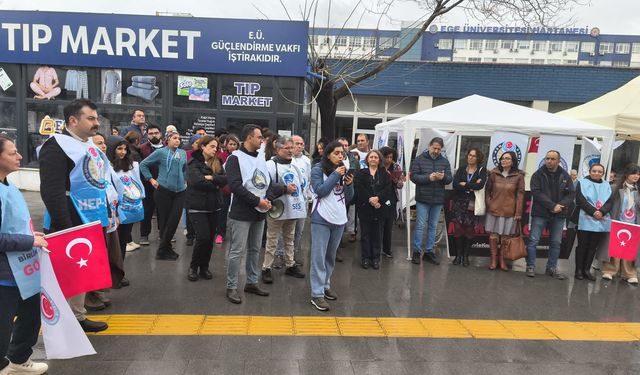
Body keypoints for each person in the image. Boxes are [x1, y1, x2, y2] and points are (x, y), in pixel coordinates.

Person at [39, 98, 109, 332]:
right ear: (73, 120)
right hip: (69, 221)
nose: (96, 123)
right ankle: (61, 322)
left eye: (96, 118)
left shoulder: (87, 145)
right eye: (91, 118)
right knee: (66, 274)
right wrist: (66, 226)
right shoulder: (56, 145)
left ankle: (78, 317)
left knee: (82, 271)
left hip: (91, 218)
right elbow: (51, 190)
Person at [0, 135, 49, 375]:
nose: (20, 156)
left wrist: (30, 233)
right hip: (5, 272)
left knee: (31, 314)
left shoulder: (8, 184)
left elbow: (11, 224)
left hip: (22, 267)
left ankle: (19, 359)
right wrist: (29, 240)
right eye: (12, 153)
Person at [224, 124, 283, 304]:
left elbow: (267, 183)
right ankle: (232, 286)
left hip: (259, 212)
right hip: (242, 212)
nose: (262, 141)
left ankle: (251, 282)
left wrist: (269, 198)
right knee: (237, 250)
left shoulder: (260, 158)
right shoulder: (235, 158)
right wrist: (257, 201)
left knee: (255, 249)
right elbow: (235, 186)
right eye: (259, 137)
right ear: (249, 138)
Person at [309, 141, 354, 311]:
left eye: (342, 153)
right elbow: (320, 190)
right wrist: (335, 175)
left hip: (339, 218)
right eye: (336, 153)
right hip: (321, 217)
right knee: (318, 257)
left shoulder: (343, 170)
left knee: (330, 256)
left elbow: (349, 198)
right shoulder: (318, 169)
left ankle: (325, 285)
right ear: (328, 155)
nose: (340, 156)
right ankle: (317, 294)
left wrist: (349, 184)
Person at [261, 136, 306, 283]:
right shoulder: (269, 165)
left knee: (289, 238)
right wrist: (284, 189)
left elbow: (301, 186)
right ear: (278, 149)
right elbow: (264, 186)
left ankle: (290, 264)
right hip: (276, 209)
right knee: (272, 239)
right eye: (287, 148)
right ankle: (266, 267)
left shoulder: (295, 166)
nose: (290, 151)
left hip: (292, 208)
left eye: (291, 148)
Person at [525, 151, 575, 279]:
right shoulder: (538, 175)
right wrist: (552, 206)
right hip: (540, 213)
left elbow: (571, 194)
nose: (549, 161)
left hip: (559, 214)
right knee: (533, 240)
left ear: (558, 161)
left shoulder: (565, 176)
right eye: (547, 158)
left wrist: (560, 206)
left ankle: (551, 268)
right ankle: (530, 266)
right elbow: (536, 193)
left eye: (552, 159)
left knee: (556, 242)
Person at [140, 131, 187, 261]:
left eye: (179, 138)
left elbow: (184, 169)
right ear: (168, 139)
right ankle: (165, 250)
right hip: (164, 191)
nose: (178, 140)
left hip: (180, 191)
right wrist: (151, 179)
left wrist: (185, 180)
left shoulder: (182, 153)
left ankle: (164, 249)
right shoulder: (161, 152)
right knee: (165, 220)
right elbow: (143, 164)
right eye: (175, 138)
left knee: (174, 220)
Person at [186, 136, 227, 281]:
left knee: (209, 239)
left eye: (216, 147)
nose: (215, 149)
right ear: (203, 146)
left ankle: (204, 267)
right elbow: (197, 182)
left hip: (214, 206)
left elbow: (225, 179)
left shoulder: (217, 162)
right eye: (211, 146)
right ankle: (193, 267)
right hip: (197, 206)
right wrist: (215, 183)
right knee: (202, 237)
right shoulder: (193, 162)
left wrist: (212, 178)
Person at [409, 137, 452, 265]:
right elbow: (414, 177)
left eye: (439, 149)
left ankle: (429, 251)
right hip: (423, 198)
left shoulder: (444, 161)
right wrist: (429, 178)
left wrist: (443, 177)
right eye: (434, 148)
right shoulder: (419, 160)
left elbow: (449, 179)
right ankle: (417, 251)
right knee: (420, 226)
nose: (436, 151)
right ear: (429, 146)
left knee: (433, 226)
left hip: (438, 199)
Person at [106, 136, 145, 276]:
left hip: (129, 209)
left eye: (125, 149)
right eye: (119, 148)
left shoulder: (131, 165)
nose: (122, 152)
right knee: (110, 244)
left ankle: (119, 273)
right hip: (111, 210)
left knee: (122, 242)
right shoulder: (106, 167)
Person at [484, 151, 525, 271]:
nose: (504, 160)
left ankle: (502, 260)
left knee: (505, 237)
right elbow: (487, 190)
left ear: (513, 162)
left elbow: (520, 195)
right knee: (493, 235)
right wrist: (489, 203)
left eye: (507, 158)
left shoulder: (519, 176)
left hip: (509, 211)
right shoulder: (494, 173)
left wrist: (518, 212)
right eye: (502, 158)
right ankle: (493, 259)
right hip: (494, 210)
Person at [601, 164, 640, 284]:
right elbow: (607, 203)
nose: (636, 176)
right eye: (634, 173)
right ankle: (610, 270)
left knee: (630, 249)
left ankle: (629, 273)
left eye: (638, 174)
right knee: (614, 246)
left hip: (633, 224)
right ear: (627, 174)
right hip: (617, 221)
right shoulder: (615, 188)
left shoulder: (638, 190)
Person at [573, 163, 612, 281]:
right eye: (594, 171)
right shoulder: (582, 183)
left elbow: (610, 201)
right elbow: (580, 200)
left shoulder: (607, 185)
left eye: (599, 172)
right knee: (582, 245)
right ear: (590, 172)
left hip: (601, 220)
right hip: (584, 218)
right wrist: (594, 212)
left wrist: (602, 212)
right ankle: (578, 270)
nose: (596, 173)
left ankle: (586, 270)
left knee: (593, 247)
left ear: (603, 174)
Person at [354, 150, 392, 270]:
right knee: (365, 235)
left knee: (377, 235)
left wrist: (378, 199)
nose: (373, 159)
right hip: (365, 207)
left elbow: (387, 189)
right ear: (367, 159)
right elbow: (359, 188)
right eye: (371, 157)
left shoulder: (384, 174)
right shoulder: (361, 173)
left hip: (380, 208)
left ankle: (375, 259)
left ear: (379, 160)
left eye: (376, 157)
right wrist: (370, 199)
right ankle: (365, 258)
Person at [451, 148, 487, 267]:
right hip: (459, 203)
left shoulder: (482, 170)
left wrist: (465, 184)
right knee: (458, 229)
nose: (470, 157)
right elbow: (455, 184)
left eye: (474, 156)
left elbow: (480, 186)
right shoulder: (461, 169)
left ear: (478, 158)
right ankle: (458, 255)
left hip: (472, 203)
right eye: (469, 155)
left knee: (469, 230)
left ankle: (466, 256)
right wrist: (471, 185)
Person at [138, 124, 164, 245]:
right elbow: (140, 166)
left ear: (160, 134)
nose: (154, 135)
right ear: (147, 135)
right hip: (148, 184)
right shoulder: (142, 148)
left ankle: (163, 234)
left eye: (156, 133)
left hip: (164, 185)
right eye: (151, 133)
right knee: (147, 211)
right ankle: (144, 235)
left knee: (163, 210)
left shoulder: (167, 147)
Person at [215, 134, 239, 245]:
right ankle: (220, 234)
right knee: (222, 213)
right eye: (230, 144)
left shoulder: (240, 156)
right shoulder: (221, 156)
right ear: (226, 145)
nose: (232, 146)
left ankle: (234, 234)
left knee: (235, 214)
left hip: (236, 190)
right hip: (224, 189)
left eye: (235, 144)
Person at [380, 146, 404, 258]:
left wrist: (396, 181)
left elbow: (400, 185)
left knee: (389, 223)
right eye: (386, 157)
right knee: (379, 223)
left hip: (391, 198)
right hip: (379, 197)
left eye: (391, 157)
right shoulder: (378, 166)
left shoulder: (396, 167)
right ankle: (376, 247)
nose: (389, 160)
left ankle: (387, 249)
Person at [338, 137, 360, 244]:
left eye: (346, 145)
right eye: (342, 145)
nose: (344, 147)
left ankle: (340, 240)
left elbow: (359, 175)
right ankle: (338, 242)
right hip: (335, 194)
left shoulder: (354, 161)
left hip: (349, 191)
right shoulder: (333, 159)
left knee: (345, 216)